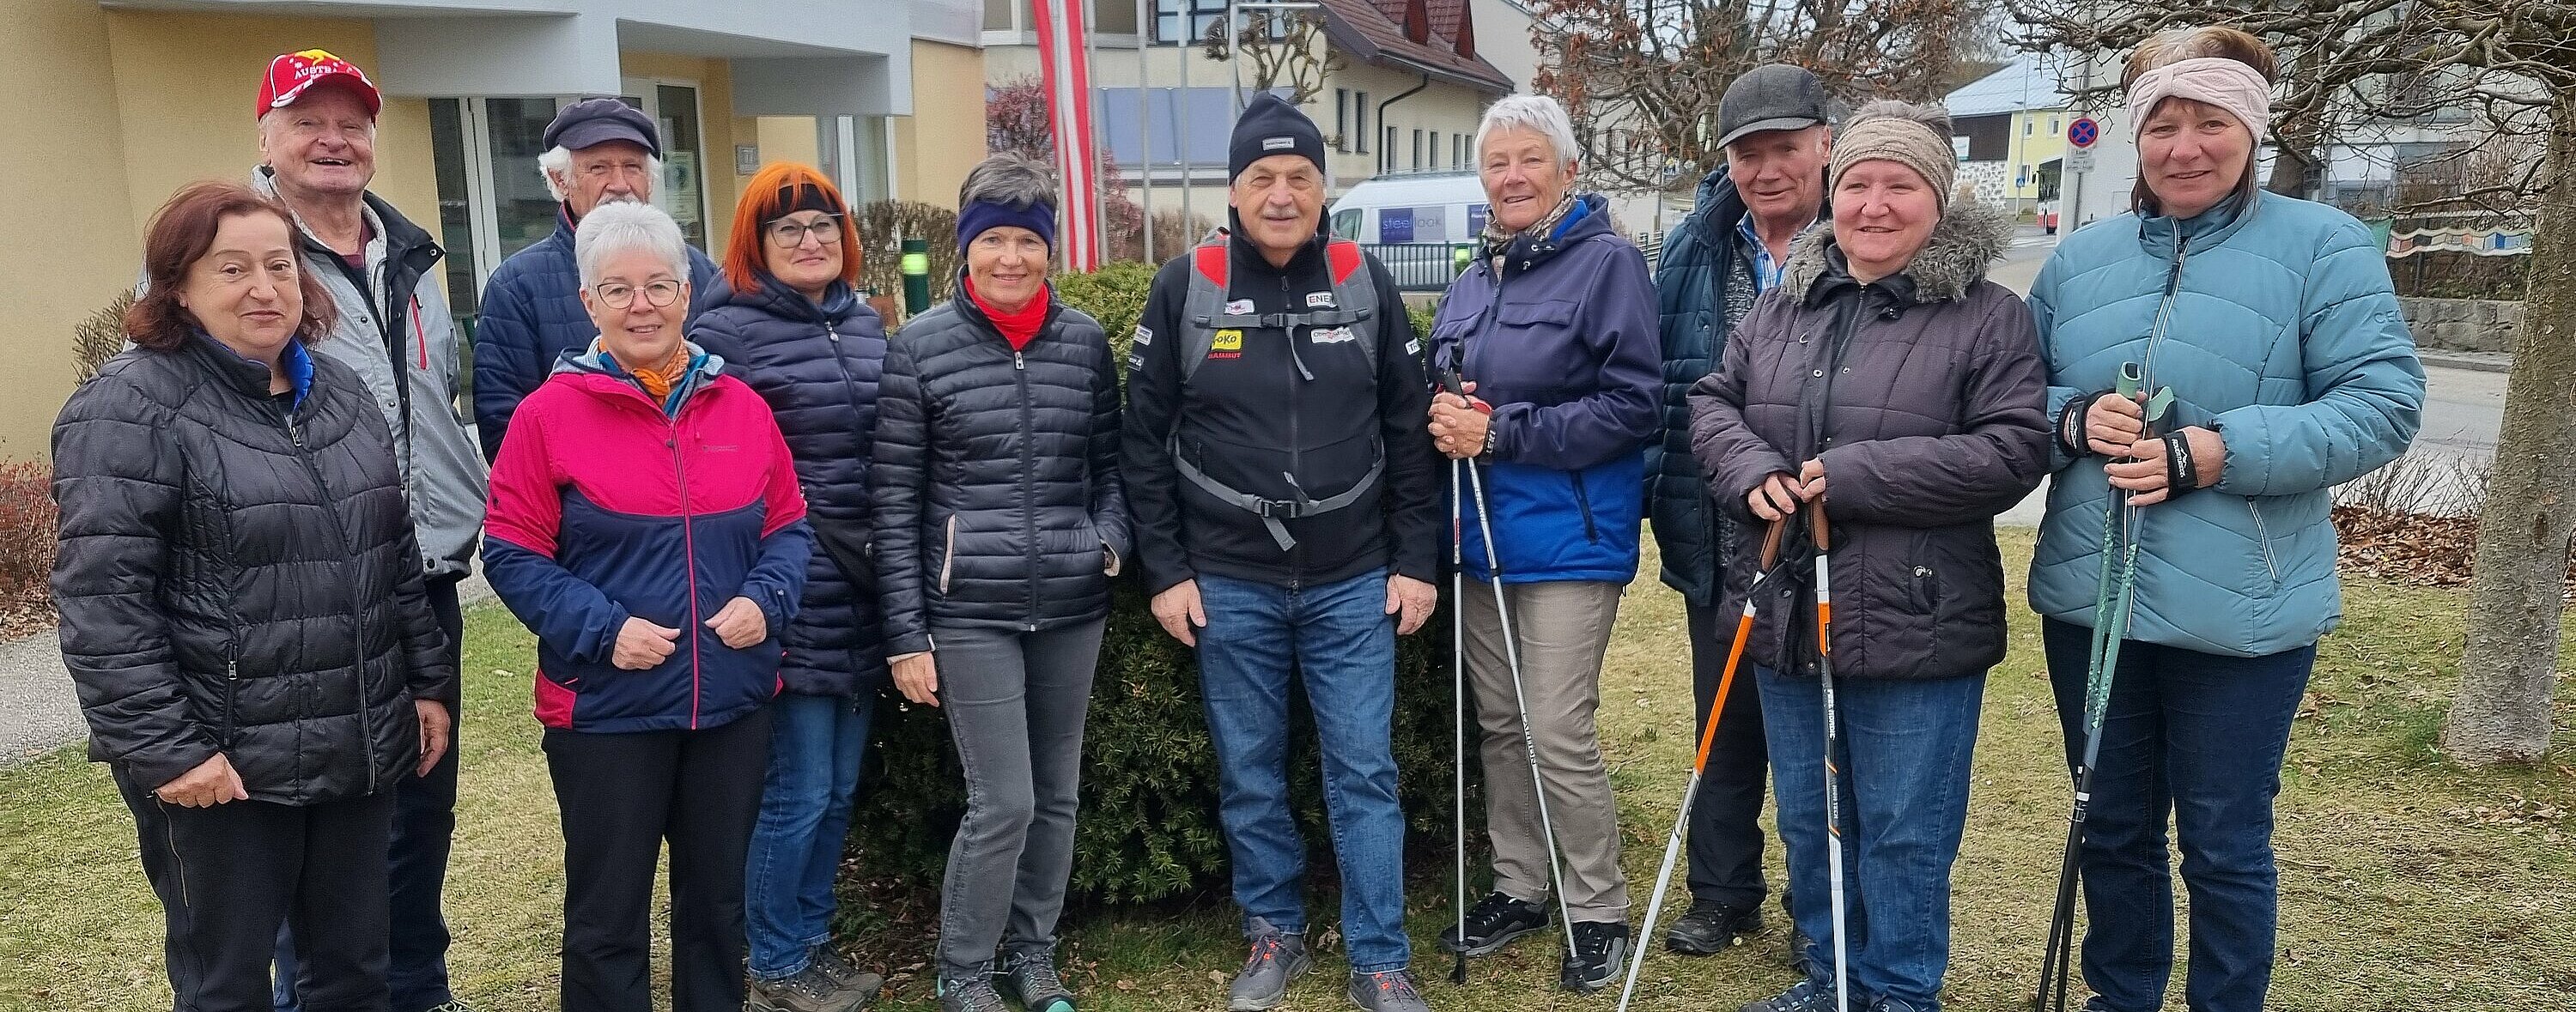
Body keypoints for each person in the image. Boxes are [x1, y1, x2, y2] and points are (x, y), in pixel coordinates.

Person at [2026, 27, 2423, 1012]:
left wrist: (2220, 450)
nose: (2185, 148)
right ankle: (2120, 997)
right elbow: (2003, 399)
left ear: (2252, 128)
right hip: (2093, 601)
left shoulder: (2322, 245)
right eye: (2163, 125)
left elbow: (2383, 404)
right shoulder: (2078, 262)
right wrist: (2070, 419)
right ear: (2137, 137)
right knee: (2111, 825)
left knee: (2223, 840)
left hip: (2245, 608)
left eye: (2210, 122)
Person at [54, 179, 455, 1012]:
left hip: (352, 741)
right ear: (176, 287)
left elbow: (391, 551)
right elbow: (103, 603)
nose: (264, 288)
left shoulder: (339, 394)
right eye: (231, 268)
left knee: (354, 976)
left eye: (280, 265)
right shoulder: (128, 407)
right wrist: (169, 750)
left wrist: (423, 684)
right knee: (226, 987)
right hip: (223, 764)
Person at [1689, 100, 2050, 1012]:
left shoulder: (1988, 317)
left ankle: (1898, 990)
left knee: (1902, 828)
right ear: (1834, 193)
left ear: (1940, 202)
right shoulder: (1785, 304)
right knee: (1811, 817)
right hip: (1788, 609)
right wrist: (1751, 471)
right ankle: (1831, 976)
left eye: (1901, 185)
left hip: (1914, 618)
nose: (1874, 205)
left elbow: (2013, 451)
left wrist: (1854, 475)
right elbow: (1713, 403)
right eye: (1857, 184)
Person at [1122, 93, 1440, 1012]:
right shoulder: (1185, 286)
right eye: (1261, 177)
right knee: (1250, 771)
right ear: (1232, 190)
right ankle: (1273, 933)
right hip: (1229, 581)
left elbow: (1410, 433)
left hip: (1354, 579)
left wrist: (1416, 560)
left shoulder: (1365, 282)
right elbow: (1141, 443)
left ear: (1322, 187)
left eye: (1299, 176)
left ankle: (1380, 959)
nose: (1280, 194)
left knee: (1364, 772)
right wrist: (1165, 571)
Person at [481, 201, 813, 1012]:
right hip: (607, 709)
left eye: (660, 285)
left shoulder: (742, 407)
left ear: (687, 293)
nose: (642, 305)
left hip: (730, 704)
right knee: (608, 917)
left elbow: (789, 526)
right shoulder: (545, 416)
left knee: (716, 909)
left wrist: (767, 599)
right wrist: (604, 629)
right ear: (588, 302)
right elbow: (512, 551)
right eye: (618, 289)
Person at [239, 49, 489, 1012]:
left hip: (421, 576)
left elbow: (432, 399)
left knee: (422, 807)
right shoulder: (243, 255)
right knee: (325, 829)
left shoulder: (408, 254)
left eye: (351, 123)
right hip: (302, 590)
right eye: (308, 121)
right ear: (267, 137)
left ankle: (418, 988)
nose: (333, 140)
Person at [870, 153, 1128, 1012]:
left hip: (1072, 605)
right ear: (966, 247)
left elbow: (1111, 468)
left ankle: (1033, 956)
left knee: (1056, 796)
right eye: (993, 241)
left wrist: (1107, 544)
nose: (1011, 258)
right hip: (968, 611)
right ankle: (965, 970)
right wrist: (905, 635)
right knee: (1004, 800)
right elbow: (894, 502)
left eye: (1027, 240)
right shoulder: (920, 348)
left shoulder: (1084, 342)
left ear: (1049, 249)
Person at [1423, 94, 1661, 994]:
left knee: (1557, 727)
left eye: (1531, 159)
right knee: (1499, 723)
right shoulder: (1473, 278)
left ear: (1568, 170)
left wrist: (1500, 431)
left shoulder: (1608, 265)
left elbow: (1635, 406)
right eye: (1498, 163)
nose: (1513, 177)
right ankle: (1519, 886)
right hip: (1481, 539)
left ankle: (1597, 907)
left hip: (1570, 538)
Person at [690, 162, 888, 1012]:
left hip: (866, 589)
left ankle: (812, 940)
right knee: (795, 791)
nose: (810, 241)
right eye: (788, 229)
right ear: (756, 244)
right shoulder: (725, 333)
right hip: (790, 589)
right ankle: (773, 960)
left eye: (823, 225)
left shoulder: (867, 322)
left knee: (838, 789)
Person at [1646, 63, 1832, 960]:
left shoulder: (1861, 230)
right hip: (1712, 520)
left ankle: (1817, 906)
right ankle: (1722, 894)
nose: (1766, 170)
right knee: (1720, 724)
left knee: (1817, 730)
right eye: (1747, 154)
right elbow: (1665, 381)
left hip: (1825, 525)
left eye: (1784, 148)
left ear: (1824, 144)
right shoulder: (1696, 246)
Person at [471, 97, 720, 459]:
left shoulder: (696, 270)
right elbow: (505, 428)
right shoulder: (517, 285)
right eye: (599, 168)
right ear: (560, 180)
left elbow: (723, 393)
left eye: (633, 167)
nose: (619, 184)